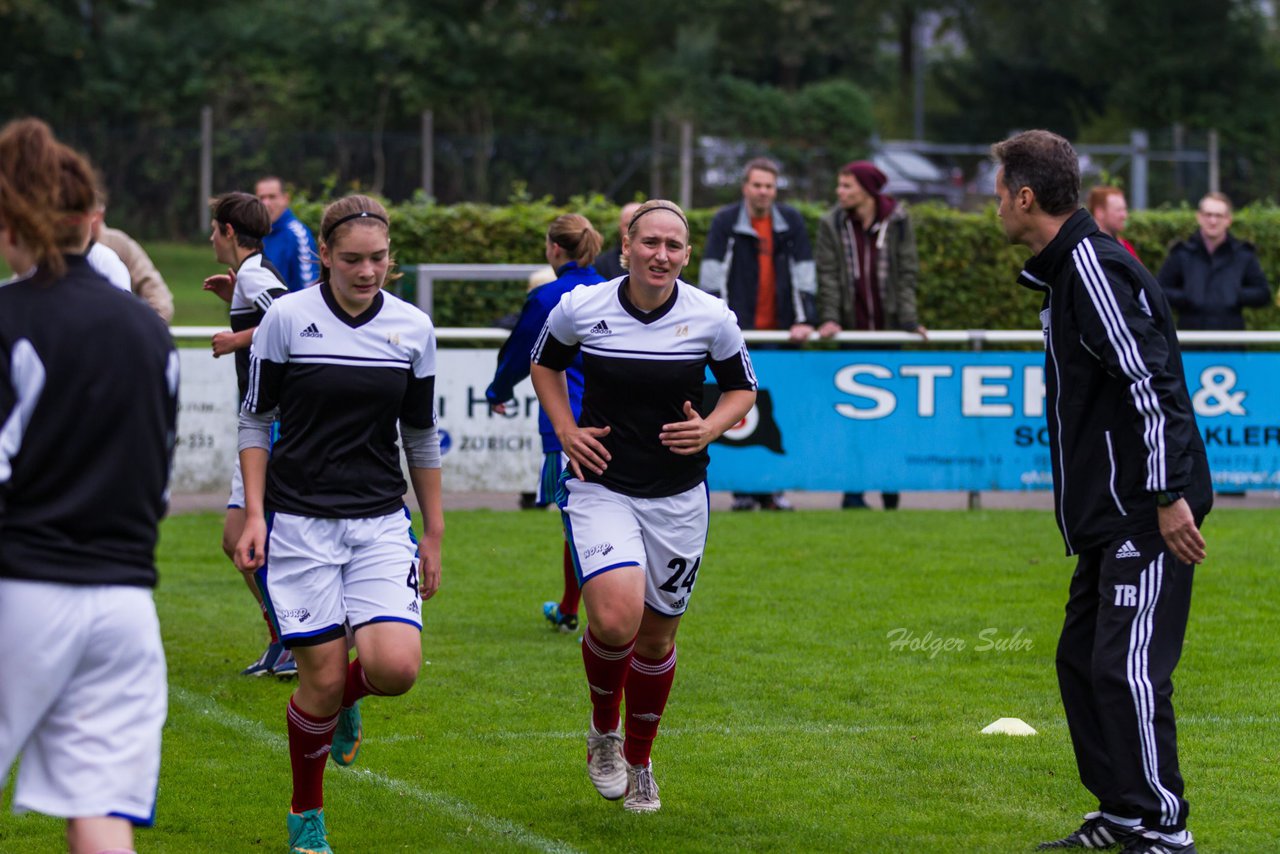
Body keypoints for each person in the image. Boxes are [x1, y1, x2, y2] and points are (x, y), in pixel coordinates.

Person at [991, 130, 1210, 854]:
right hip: (1107, 515)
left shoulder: (1093, 269)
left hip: (1143, 512)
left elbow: (1152, 386)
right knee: (1082, 662)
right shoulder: (1065, 271)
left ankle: (1164, 829)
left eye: (998, 191)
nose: (994, 205)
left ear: (1025, 196)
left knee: (1127, 669)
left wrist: (1168, 493)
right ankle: (1121, 812)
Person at [531, 199, 757, 813]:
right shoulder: (582, 307)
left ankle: (641, 761)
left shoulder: (712, 316)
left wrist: (710, 426)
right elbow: (544, 365)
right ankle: (604, 732)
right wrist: (565, 430)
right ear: (624, 247)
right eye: (650, 242)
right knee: (614, 619)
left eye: (674, 246)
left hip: (680, 495)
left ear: (687, 255)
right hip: (602, 485)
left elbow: (742, 387)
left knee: (656, 641)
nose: (662, 255)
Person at [234, 194, 443, 854]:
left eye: (378, 259)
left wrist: (433, 530)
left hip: (381, 522)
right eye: (351, 259)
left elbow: (420, 435)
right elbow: (255, 420)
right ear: (323, 255)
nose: (366, 271)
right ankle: (307, 813)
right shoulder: (289, 320)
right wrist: (255, 515)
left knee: (396, 670)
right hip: (299, 525)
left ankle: (342, 701)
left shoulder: (413, 329)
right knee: (319, 684)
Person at [0, 117, 178, 854]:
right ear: (92, 224)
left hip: (23, 593)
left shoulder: (11, 319)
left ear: (15, 223)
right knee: (101, 821)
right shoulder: (150, 334)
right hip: (126, 609)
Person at [485, 213, 606, 632]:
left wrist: (497, 391)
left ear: (554, 248)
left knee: (578, 523)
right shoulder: (613, 290)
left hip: (568, 426)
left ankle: (604, 617)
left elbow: (522, 353)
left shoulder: (549, 296)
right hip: (615, 423)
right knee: (590, 519)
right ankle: (571, 608)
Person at [202, 191, 294, 677]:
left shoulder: (256, 273)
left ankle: (298, 639)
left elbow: (291, 317)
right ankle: (286, 637)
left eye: (215, 228)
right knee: (236, 541)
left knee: (248, 542)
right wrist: (232, 301)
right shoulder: (252, 274)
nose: (211, 237)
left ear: (230, 232)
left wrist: (235, 337)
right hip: (260, 420)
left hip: (272, 424)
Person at [700, 157, 815, 512]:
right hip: (738, 333)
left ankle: (774, 489)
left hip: (781, 334)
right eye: (757, 185)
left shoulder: (791, 221)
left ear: (775, 189)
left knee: (780, 411)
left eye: (769, 185)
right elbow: (711, 274)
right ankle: (742, 491)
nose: (763, 191)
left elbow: (805, 273)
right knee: (737, 415)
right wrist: (719, 322)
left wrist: (804, 318)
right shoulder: (725, 221)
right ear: (745, 187)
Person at [814, 160, 927, 511]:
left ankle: (890, 491)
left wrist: (909, 322)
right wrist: (831, 319)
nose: (840, 192)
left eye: (847, 186)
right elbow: (828, 276)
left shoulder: (898, 221)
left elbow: (907, 272)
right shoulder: (831, 223)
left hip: (890, 333)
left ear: (866, 189)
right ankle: (853, 494)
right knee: (851, 420)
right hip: (850, 335)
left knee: (891, 421)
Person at [1156, 191, 1272, 331]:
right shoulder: (1182, 253)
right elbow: (1159, 291)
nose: (1213, 221)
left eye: (1218, 215)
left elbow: (1263, 293)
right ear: (1199, 217)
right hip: (1191, 343)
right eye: (1208, 215)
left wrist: (1236, 294)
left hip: (1230, 342)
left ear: (1228, 219)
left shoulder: (1242, 254)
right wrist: (1186, 296)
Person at [94, 188, 176, 322]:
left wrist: (150, 326)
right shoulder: (53, 248)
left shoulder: (118, 245)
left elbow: (152, 285)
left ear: (99, 214)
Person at [257, 175, 319, 292]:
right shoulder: (255, 234)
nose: (266, 203)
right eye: (261, 198)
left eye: (272, 197)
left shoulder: (297, 235)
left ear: (285, 199)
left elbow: (308, 290)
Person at [1087, 185, 1141, 262]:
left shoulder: (1125, 246)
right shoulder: (1090, 251)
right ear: (1099, 212)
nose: (1125, 216)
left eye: (1124, 209)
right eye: (1118, 210)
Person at [594, 201, 643, 281]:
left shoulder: (659, 260)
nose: (632, 230)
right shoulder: (602, 264)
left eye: (637, 225)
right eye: (628, 225)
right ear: (619, 227)